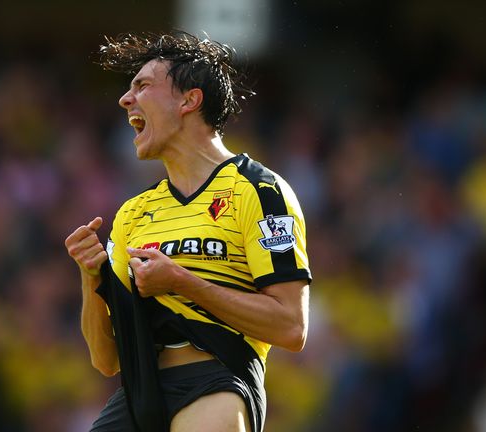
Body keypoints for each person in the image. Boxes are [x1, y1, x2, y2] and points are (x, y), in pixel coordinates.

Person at [65, 31, 311, 432]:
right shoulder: (133, 212)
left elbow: (291, 327)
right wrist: (90, 277)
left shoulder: (259, 191)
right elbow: (106, 360)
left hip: (219, 377)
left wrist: (181, 281)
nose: (126, 100)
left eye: (142, 85)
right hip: (141, 389)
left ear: (189, 100)